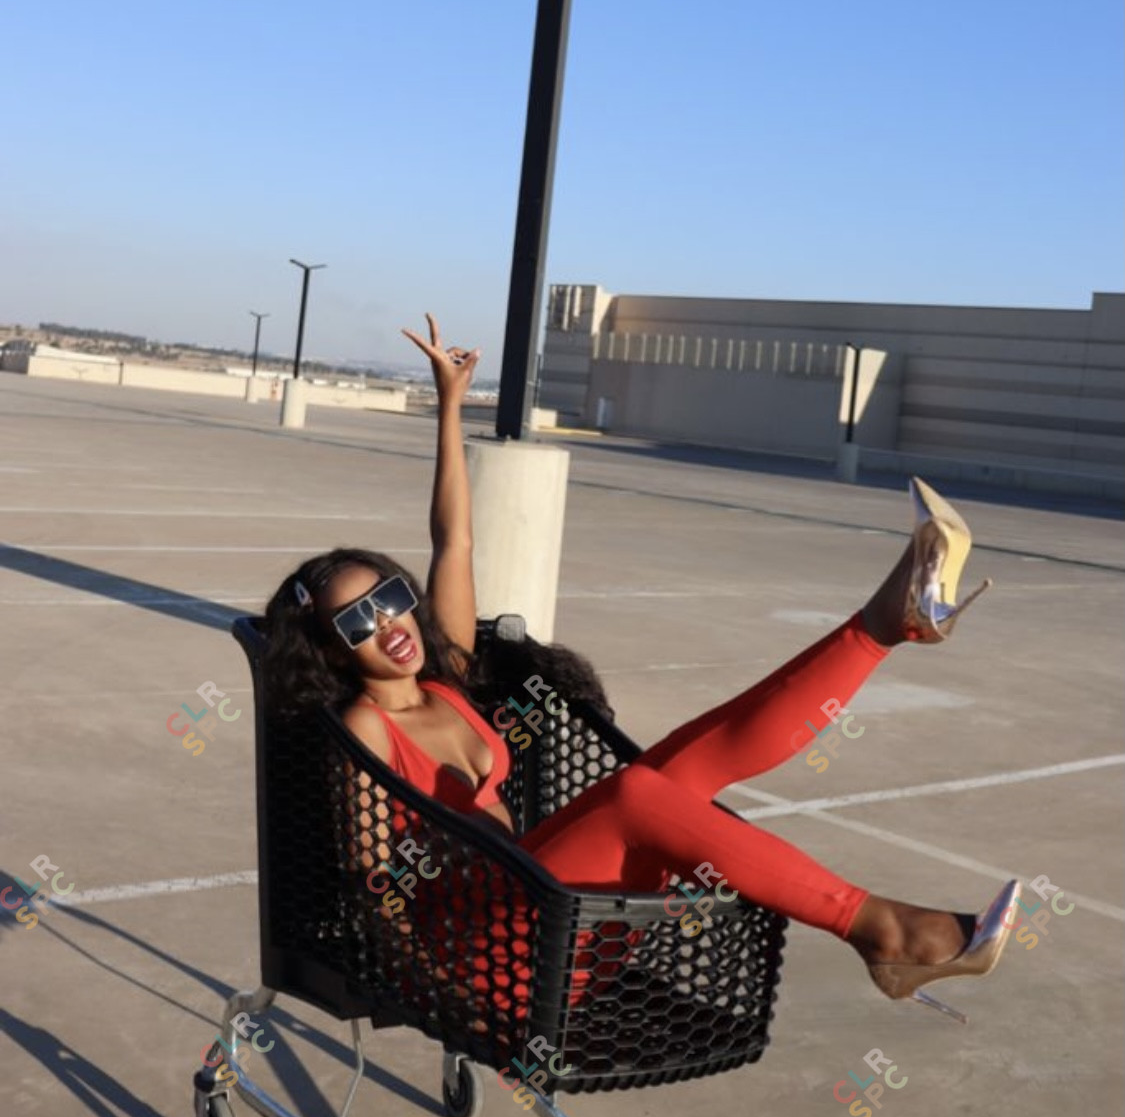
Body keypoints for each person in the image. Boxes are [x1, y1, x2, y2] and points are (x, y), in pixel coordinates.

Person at [262, 315, 1018, 1023]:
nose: (388, 624)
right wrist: (426, 982)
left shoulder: (444, 682)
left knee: (682, 766)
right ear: (330, 649)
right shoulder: (364, 728)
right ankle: (878, 929)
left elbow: (452, 542)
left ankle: (884, 627)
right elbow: (374, 884)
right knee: (633, 793)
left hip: (551, 918)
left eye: (390, 598)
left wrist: (451, 406)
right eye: (356, 621)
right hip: (488, 960)